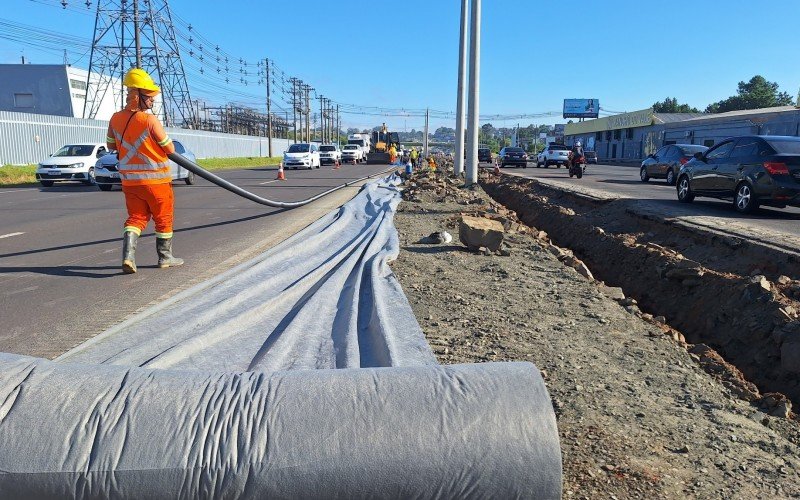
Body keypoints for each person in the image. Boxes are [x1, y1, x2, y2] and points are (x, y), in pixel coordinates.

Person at [106, 68, 183, 274]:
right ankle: (165, 257)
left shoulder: (115, 119)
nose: (152, 101)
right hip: (157, 183)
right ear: (137, 95)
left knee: (136, 218)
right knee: (163, 217)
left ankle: (128, 257)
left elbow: (111, 146)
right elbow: (170, 149)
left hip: (130, 183)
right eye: (148, 97)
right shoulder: (150, 120)